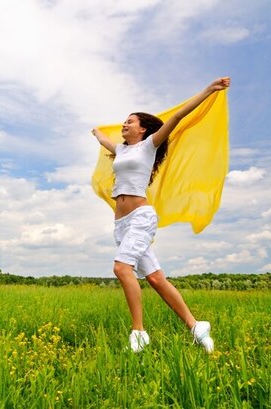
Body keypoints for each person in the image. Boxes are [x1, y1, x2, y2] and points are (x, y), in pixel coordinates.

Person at [91, 77, 231, 353]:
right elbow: (106, 140)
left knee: (121, 268)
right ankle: (196, 325)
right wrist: (95, 132)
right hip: (121, 224)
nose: (124, 124)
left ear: (143, 129)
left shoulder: (149, 146)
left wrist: (208, 90)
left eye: (130, 121)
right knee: (155, 279)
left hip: (141, 218)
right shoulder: (121, 150)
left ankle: (139, 332)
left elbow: (178, 116)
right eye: (124, 121)